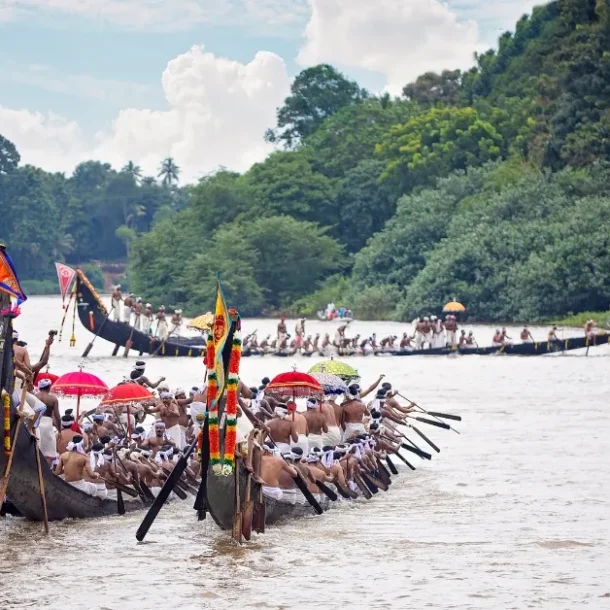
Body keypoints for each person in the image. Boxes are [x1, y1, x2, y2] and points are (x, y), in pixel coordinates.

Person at [35, 378, 60, 465]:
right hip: (48, 424)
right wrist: (59, 429)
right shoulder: (53, 399)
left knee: (37, 447)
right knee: (49, 450)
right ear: (49, 387)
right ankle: (47, 472)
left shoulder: (35, 396)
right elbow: (57, 415)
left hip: (36, 422)